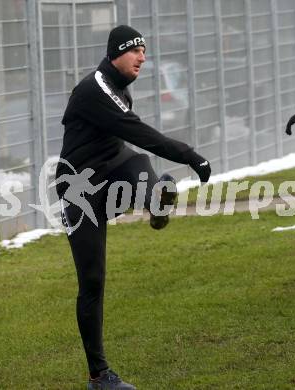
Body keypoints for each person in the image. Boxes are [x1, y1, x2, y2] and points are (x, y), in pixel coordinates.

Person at [55, 25, 211, 390]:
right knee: (92, 282)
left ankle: (156, 202)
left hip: (113, 172)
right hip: (79, 191)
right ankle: (99, 376)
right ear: (116, 53)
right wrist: (190, 156)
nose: (143, 56)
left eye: (144, 50)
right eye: (136, 50)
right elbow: (141, 132)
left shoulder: (120, 87)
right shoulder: (94, 90)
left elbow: (129, 143)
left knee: (137, 164)